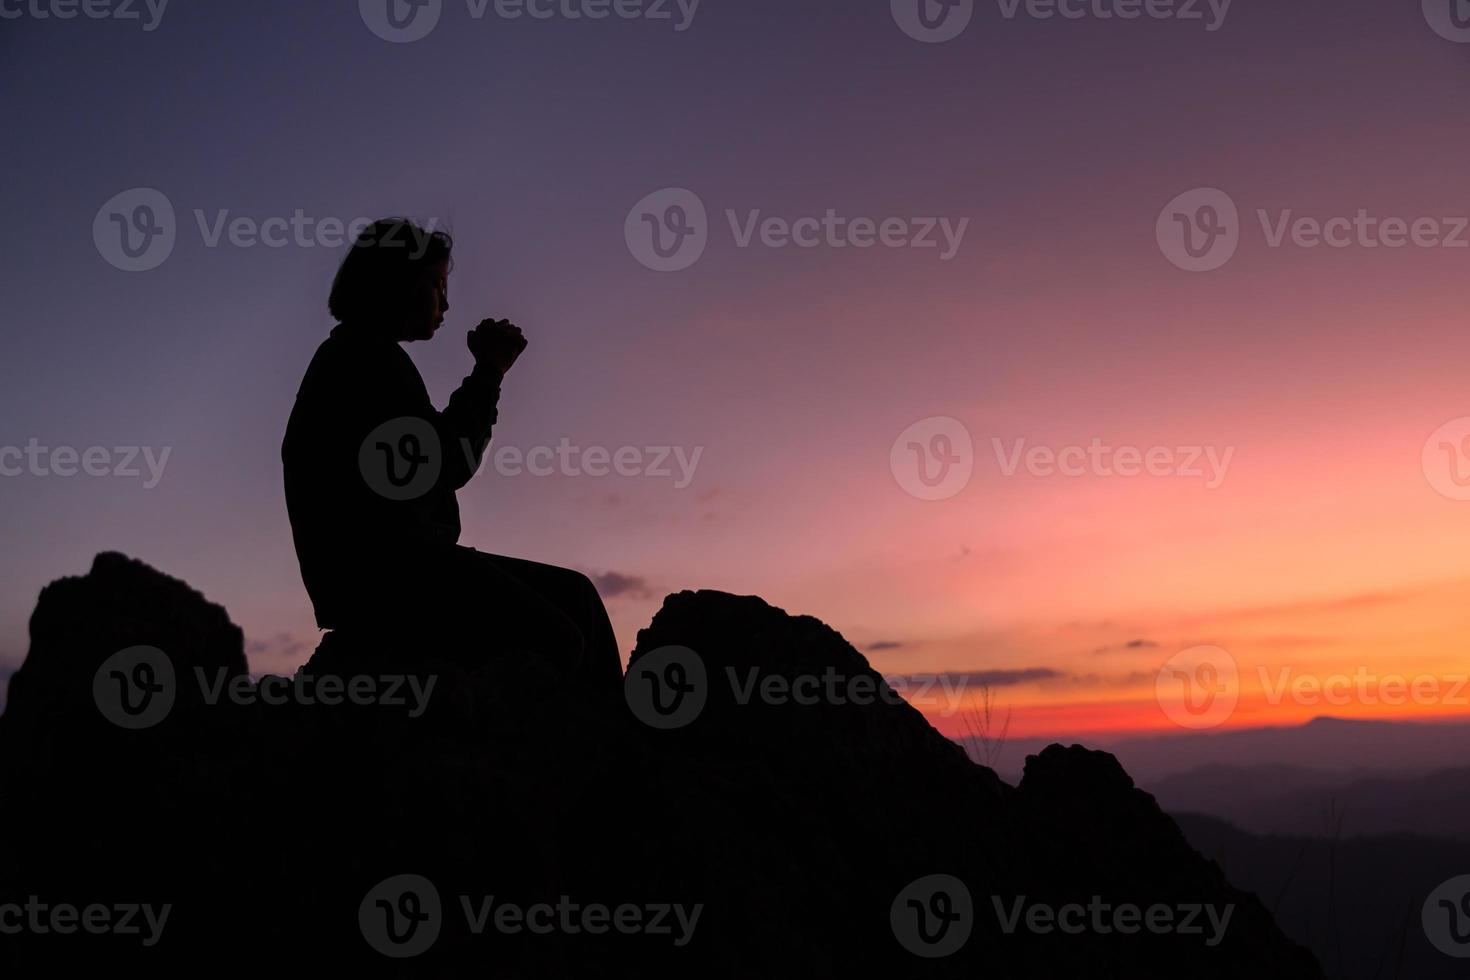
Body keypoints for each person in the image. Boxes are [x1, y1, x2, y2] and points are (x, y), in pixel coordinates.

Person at [281, 218, 621, 690]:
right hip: (390, 580)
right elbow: (445, 463)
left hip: (400, 568)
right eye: (437, 285)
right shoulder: (362, 365)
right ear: (398, 285)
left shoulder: (362, 358)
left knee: (577, 596)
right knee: (560, 640)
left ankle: (617, 747)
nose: (446, 301)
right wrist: (488, 372)